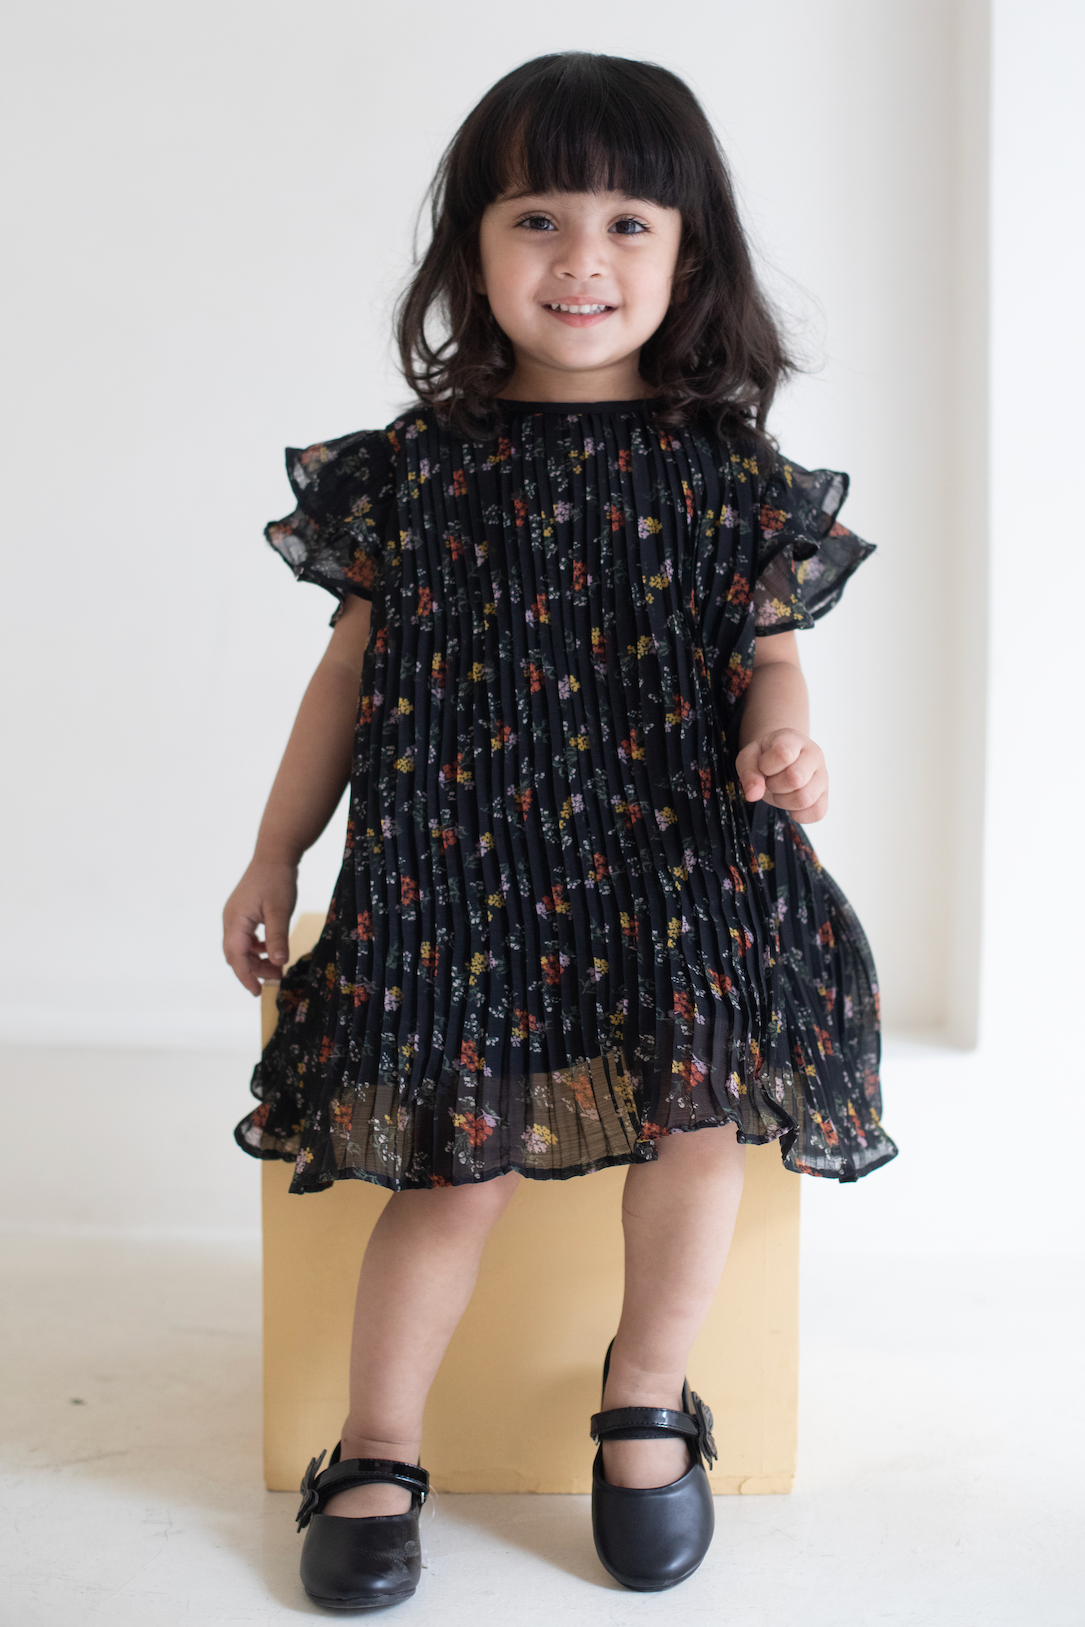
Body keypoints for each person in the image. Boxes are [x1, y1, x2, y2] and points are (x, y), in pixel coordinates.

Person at [223, 50, 897, 1609]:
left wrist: (781, 739)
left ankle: (647, 1397)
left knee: (699, 1125)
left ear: (689, 252)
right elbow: (344, 675)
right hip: (462, 871)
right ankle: (376, 1441)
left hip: (675, 858)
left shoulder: (727, 474)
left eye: (627, 223)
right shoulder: (416, 476)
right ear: (471, 245)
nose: (581, 261)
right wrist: (277, 852)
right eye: (536, 218)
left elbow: (770, 651)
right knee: (450, 1172)